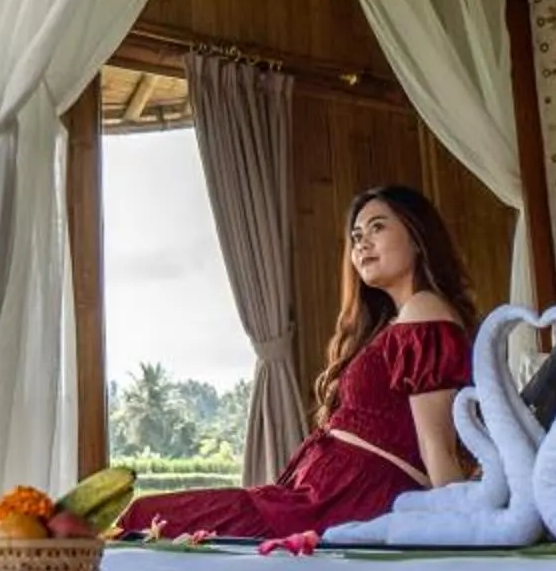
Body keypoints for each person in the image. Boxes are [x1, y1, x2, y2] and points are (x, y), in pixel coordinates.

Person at [120, 184, 477, 541]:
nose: (362, 243)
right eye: (356, 236)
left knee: (146, 519)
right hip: (313, 498)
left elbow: (437, 446)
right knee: (148, 520)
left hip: (346, 501)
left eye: (378, 227)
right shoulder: (394, 324)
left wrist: (464, 534)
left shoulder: (424, 311)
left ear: (417, 237)